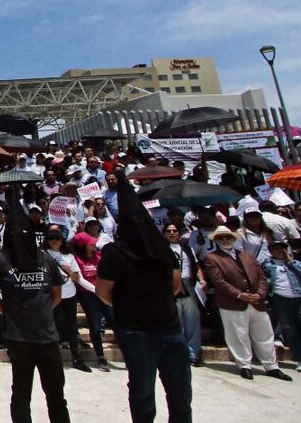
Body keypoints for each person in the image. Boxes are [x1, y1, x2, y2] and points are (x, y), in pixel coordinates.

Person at [96, 175, 193, 422]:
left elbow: (103, 292)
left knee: (143, 390)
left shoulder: (116, 253)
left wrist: (129, 303)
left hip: (138, 328)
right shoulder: (163, 249)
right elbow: (175, 285)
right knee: (179, 391)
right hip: (164, 325)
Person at [0, 190, 70, 423]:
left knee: (57, 396)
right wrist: (9, 313)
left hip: (48, 337)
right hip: (19, 339)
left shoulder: (45, 258)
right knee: (21, 396)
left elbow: (56, 292)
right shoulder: (1, 261)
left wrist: (44, 311)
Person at [202, 225, 292, 381]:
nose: (225, 240)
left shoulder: (247, 256)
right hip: (233, 303)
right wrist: (239, 295)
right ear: (216, 240)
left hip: (256, 302)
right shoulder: (212, 258)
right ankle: (244, 365)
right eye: (221, 238)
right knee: (238, 335)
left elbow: (261, 277)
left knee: (265, 334)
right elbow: (219, 282)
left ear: (233, 238)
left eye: (228, 237)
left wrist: (260, 294)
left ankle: (271, 366)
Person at [44, 229, 92, 372]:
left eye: (57, 238)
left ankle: (77, 358)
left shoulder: (69, 256)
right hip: (52, 296)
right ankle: (52, 359)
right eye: (51, 238)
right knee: (53, 327)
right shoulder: (43, 255)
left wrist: (69, 271)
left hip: (69, 295)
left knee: (72, 328)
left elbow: (78, 278)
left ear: (62, 240)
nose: (54, 241)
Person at [163, 221, 205, 366]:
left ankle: (193, 353)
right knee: (177, 319)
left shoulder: (187, 248)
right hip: (171, 284)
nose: (172, 233)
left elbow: (196, 266)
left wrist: (202, 280)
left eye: (174, 230)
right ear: (164, 234)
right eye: (169, 231)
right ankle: (179, 352)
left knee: (192, 319)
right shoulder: (162, 249)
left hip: (188, 283)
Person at [69, 232, 109, 371]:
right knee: (95, 326)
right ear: (83, 246)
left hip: (103, 292)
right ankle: (101, 357)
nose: (94, 244)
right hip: (88, 295)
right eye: (91, 243)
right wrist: (97, 291)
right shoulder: (76, 259)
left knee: (115, 322)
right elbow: (80, 279)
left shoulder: (98, 256)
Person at [262, 240, 301, 370]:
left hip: (298, 297)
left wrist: (291, 261)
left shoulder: (295, 263)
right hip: (280, 298)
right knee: (288, 328)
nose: (279, 251)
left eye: (282, 248)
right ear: (271, 251)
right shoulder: (267, 264)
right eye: (276, 248)